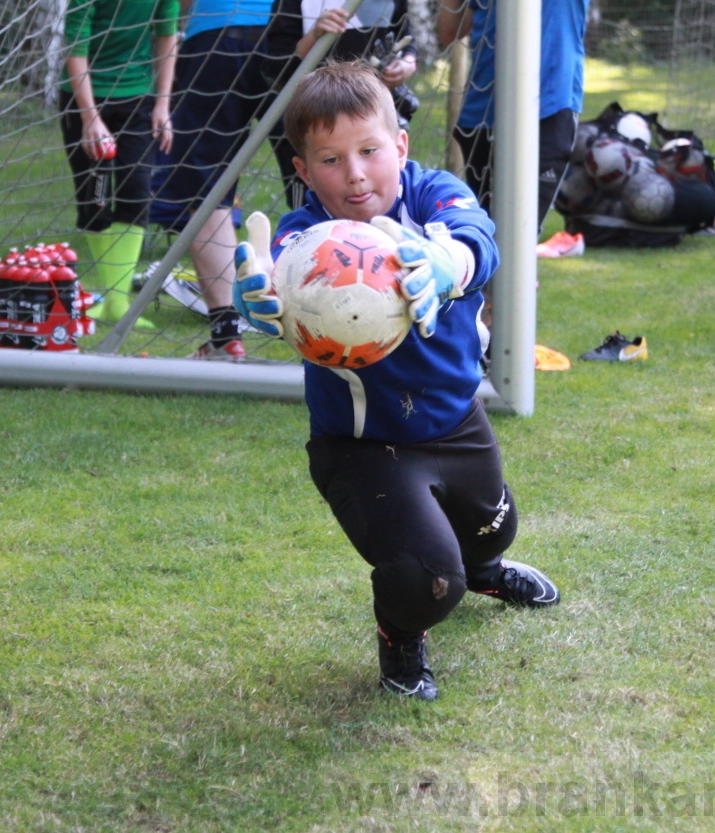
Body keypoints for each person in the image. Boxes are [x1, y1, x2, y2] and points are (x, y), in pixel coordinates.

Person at [233, 62, 560, 700]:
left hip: (458, 420)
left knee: (495, 529)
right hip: (364, 447)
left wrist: (446, 262)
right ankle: (401, 635)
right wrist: (261, 299)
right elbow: (279, 277)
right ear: (302, 171)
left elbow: (477, 238)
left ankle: (488, 571)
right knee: (429, 580)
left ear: (400, 146)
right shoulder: (307, 241)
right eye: (329, 160)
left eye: (369, 151)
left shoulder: (435, 193)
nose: (354, 174)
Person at [157, 0, 284, 360]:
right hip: (290, 35)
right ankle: (347, 312)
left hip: (217, 34)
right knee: (313, 170)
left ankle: (226, 335)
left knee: (206, 184)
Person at [436, 0, 590, 260]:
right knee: (481, 248)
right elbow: (450, 31)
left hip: (549, 106)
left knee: (514, 250)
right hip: (483, 114)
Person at [61, 0, 178, 331]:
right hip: (84, 98)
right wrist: (90, 119)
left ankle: (118, 303)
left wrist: (162, 104)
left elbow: (167, 36)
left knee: (136, 193)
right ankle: (110, 299)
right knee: (95, 201)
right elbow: (75, 48)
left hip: (136, 98)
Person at [268, 0, 420, 209]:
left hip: (376, 119)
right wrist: (314, 36)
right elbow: (275, 67)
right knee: (313, 212)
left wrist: (407, 63)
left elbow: (406, 36)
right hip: (316, 123)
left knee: (391, 205)